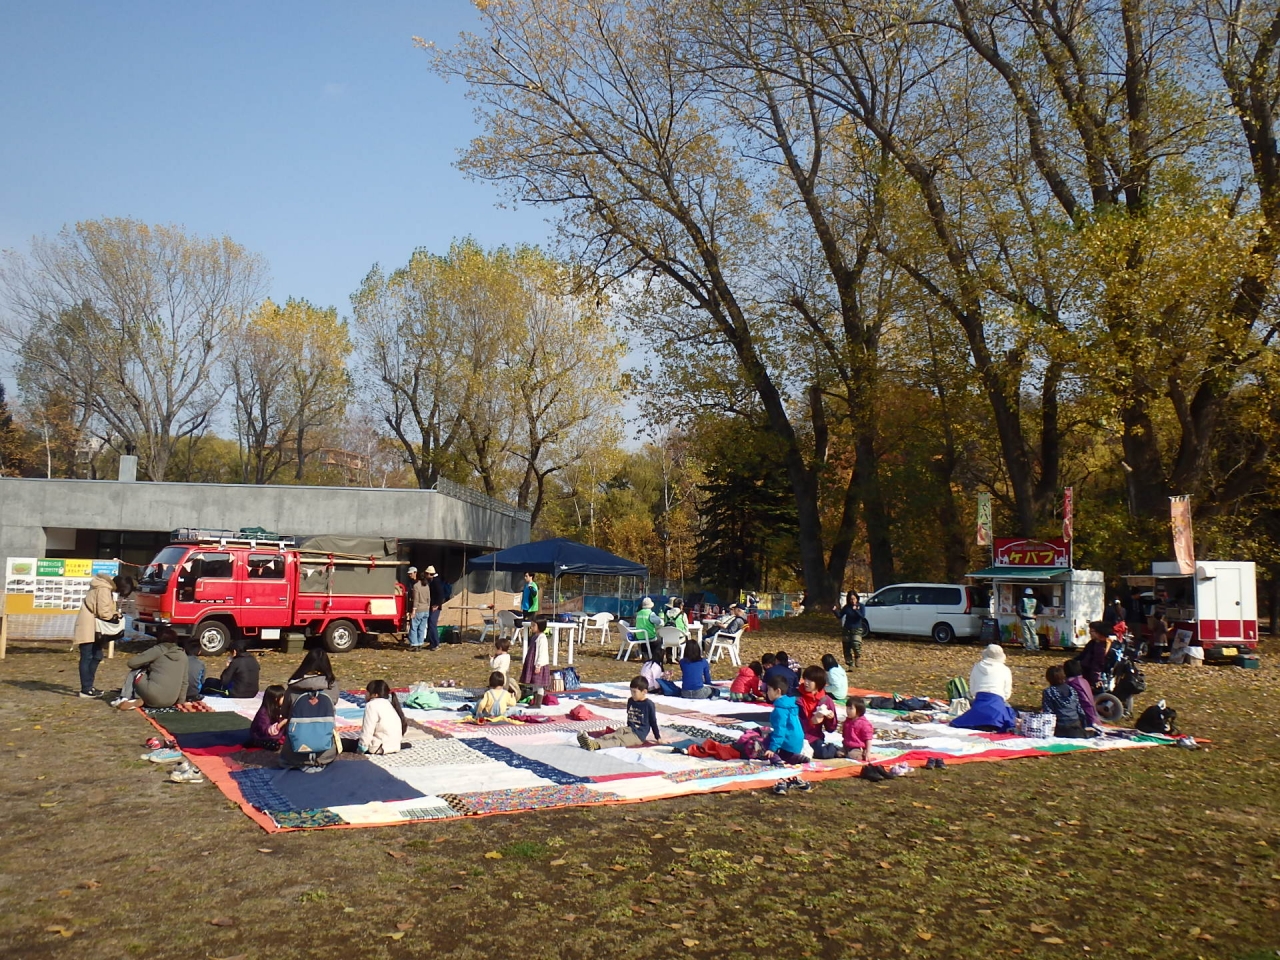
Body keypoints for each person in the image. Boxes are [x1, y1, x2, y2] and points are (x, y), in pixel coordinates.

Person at [73, 573, 132, 699]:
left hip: (92, 627)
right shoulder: (104, 589)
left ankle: (89, 686)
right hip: (90, 627)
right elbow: (104, 612)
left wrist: (114, 613)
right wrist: (115, 616)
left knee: (96, 656)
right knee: (88, 656)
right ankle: (86, 689)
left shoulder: (103, 586)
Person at [578, 676, 663, 750]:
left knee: (619, 740)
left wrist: (658, 737)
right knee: (614, 734)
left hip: (638, 735)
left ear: (644, 692)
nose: (632, 694)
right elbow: (629, 716)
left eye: (635, 692)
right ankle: (590, 742)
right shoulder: (631, 701)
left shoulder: (649, 705)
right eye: (631, 691)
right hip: (629, 729)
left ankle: (596, 745)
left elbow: (653, 722)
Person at [112, 629, 187, 709]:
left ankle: (125, 698)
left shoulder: (159, 649)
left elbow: (132, 663)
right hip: (171, 700)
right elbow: (185, 681)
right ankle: (140, 698)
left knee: (136, 671)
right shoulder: (183, 655)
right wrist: (180, 702)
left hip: (153, 695)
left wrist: (147, 665)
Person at [762, 674, 806, 764]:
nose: (767, 692)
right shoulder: (791, 704)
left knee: (766, 742)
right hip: (798, 741)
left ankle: (778, 758)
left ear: (778, 691)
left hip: (788, 742)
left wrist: (772, 749)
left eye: (769, 690)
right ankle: (794, 756)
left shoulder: (780, 710)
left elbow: (780, 730)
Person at [797, 665, 838, 755]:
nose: (806, 683)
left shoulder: (826, 700)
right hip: (796, 736)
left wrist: (830, 719)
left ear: (818, 683)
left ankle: (835, 749)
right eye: (805, 679)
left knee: (824, 753)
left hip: (813, 737)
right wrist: (811, 722)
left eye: (810, 680)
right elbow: (792, 722)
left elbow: (831, 729)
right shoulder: (796, 697)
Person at [360, 679, 407, 753]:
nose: (365, 695)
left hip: (380, 747)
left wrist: (361, 748)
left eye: (367, 692)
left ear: (375, 695)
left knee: (346, 743)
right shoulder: (388, 704)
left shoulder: (371, 705)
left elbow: (367, 731)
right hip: (395, 745)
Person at [1041, 664, 1087, 738]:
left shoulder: (1048, 692)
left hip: (1060, 727)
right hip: (1076, 724)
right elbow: (1079, 710)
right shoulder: (1072, 690)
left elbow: (1048, 713)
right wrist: (1084, 725)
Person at [519, 619, 551, 706]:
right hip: (532, 663)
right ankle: (534, 701)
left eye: (534, 625)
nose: (532, 627)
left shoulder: (542, 638)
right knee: (534, 683)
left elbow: (542, 653)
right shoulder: (534, 637)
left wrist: (538, 665)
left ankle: (538, 703)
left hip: (538, 664)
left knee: (539, 684)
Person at [1063, 658, 1099, 730]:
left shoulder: (1071, 683)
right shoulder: (1083, 680)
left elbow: (1084, 702)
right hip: (1093, 715)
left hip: (1084, 719)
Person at [249, 685, 289, 750]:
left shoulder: (281, 708)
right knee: (274, 745)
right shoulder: (263, 713)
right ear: (276, 698)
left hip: (277, 734)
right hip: (262, 736)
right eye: (283, 697)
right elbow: (267, 731)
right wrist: (283, 722)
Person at [834, 591, 867, 669]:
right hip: (847, 628)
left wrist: (856, 610)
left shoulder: (861, 606)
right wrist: (835, 610)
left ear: (857, 598)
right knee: (846, 647)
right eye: (850, 599)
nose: (852, 601)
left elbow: (862, 616)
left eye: (854, 599)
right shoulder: (847, 607)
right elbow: (839, 616)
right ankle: (850, 664)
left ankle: (857, 657)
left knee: (856, 644)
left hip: (857, 628)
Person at [1079, 621, 1112, 689]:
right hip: (1085, 669)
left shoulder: (1101, 647)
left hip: (1092, 675)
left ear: (1099, 632)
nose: (1089, 633)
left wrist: (1096, 679)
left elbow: (1098, 664)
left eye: (1091, 631)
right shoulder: (1092, 643)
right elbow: (1082, 655)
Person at [841, 696, 874, 761]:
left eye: (851, 708)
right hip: (846, 746)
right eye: (847, 708)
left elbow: (868, 739)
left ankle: (862, 754)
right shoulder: (847, 721)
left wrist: (868, 752)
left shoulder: (863, 723)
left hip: (857, 748)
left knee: (852, 755)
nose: (847, 711)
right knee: (837, 752)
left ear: (858, 710)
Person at [408, 569, 431, 651]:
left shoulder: (416, 586)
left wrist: (413, 610)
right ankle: (420, 642)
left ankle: (414, 644)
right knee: (422, 627)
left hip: (419, 609)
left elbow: (416, 599)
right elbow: (429, 598)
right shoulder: (427, 585)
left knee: (414, 627)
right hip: (426, 609)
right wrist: (428, 606)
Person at [425, 565, 445, 651]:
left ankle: (436, 643)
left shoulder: (436, 582)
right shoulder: (434, 581)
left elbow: (441, 594)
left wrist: (437, 604)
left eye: (426, 574)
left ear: (429, 574)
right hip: (433, 605)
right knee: (431, 624)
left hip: (435, 606)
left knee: (432, 624)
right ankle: (433, 642)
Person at [182, 635, 204, 702]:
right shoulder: (201, 664)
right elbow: (202, 681)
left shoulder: (180, 661)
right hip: (194, 693)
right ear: (199, 652)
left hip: (179, 692)